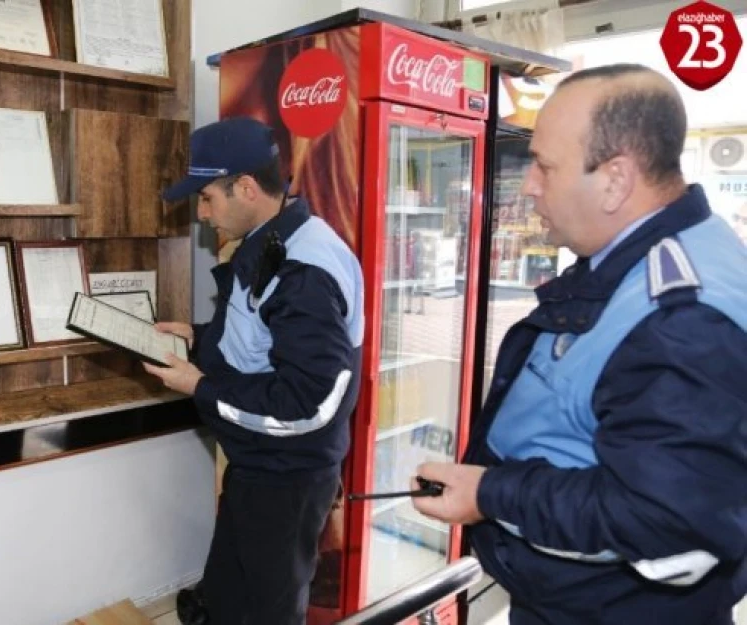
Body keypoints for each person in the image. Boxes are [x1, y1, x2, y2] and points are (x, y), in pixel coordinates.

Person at [410, 63, 747, 624]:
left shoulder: (680, 316)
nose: (529, 185)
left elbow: (668, 524)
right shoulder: (660, 255)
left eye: (544, 166)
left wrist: (491, 494)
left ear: (615, 179)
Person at [142, 117, 365, 625]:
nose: (201, 214)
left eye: (206, 199)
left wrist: (200, 387)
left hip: (287, 479)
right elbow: (258, 336)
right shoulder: (270, 239)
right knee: (225, 601)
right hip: (256, 466)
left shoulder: (305, 268)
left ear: (245, 188)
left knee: (268, 613)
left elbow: (309, 404)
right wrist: (198, 338)